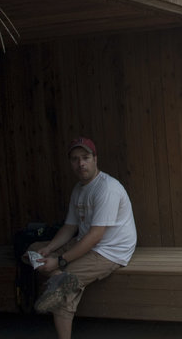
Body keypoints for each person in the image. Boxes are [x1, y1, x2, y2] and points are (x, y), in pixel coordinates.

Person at [30, 137, 137, 339]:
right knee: (34, 250)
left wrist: (60, 261)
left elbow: (96, 236)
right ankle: (57, 278)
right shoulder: (79, 189)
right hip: (85, 242)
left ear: (95, 159)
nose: (81, 164)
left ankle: (59, 285)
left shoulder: (107, 188)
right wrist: (50, 248)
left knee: (61, 288)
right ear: (70, 163)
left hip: (110, 251)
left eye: (85, 158)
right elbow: (70, 226)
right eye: (75, 159)